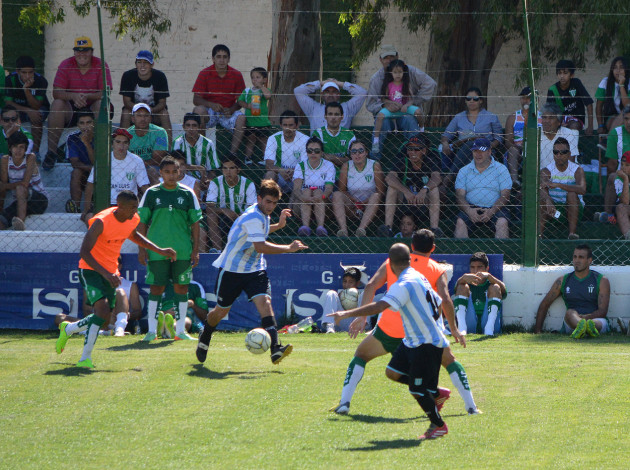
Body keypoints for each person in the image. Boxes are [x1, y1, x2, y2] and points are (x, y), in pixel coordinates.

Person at [329, 229, 479, 417]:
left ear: (412, 246)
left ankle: (344, 403)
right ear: (432, 248)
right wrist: (455, 330)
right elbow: (446, 299)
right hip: (423, 330)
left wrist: (362, 318)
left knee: (360, 355)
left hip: (392, 328)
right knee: (450, 362)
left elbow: (370, 286)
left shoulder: (393, 263)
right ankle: (471, 406)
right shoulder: (437, 268)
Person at [55, 191, 176, 367]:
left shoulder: (132, 218)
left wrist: (160, 250)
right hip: (91, 270)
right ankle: (85, 358)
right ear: (119, 206)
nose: (136, 211)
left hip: (111, 272)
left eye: (136, 206)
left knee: (103, 316)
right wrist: (105, 273)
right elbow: (84, 252)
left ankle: (70, 328)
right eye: (132, 207)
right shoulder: (100, 222)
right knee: (102, 309)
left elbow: (133, 235)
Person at [195, 179, 308, 365]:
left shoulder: (263, 215)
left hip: (255, 269)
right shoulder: (253, 216)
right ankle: (206, 334)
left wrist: (278, 226)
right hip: (232, 269)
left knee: (265, 302)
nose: (271, 206)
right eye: (268, 202)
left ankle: (275, 349)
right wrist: (288, 248)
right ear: (259, 199)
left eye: (274, 203)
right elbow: (260, 245)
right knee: (220, 312)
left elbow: (260, 232)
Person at [138, 156, 202, 342]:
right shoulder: (151, 193)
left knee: (181, 288)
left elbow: (196, 225)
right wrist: (142, 249)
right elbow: (141, 223)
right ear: (160, 173)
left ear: (180, 172)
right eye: (167, 172)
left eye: (175, 171)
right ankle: (151, 331)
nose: (171, 175)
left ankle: (180, 331)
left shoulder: (188, 193)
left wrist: (195, 250)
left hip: (182, 250)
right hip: (156, 249)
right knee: (156, 288)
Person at [44, 36, 113, 170]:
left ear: (91, 52)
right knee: (57, 104)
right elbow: (56, 92)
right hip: (72, 108)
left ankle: (101, 151)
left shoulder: (101, 65)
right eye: (78, 51)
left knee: (101, 104)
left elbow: (106, 93)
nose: (82, 54)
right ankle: (51, 152)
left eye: (85, 51)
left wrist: (87, 96)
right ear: (74, 52)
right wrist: (74, 96)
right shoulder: (66, 64)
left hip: (92, 106)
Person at [366, 45, 436, 154]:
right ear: (380, 59)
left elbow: (430, 84)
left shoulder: (410, 71)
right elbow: (370, 104)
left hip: (406, 112)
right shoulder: (376, 79)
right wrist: (384, 105)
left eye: (392, 57)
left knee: (410, 120)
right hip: (388, 116)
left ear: (397, 56)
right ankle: (375, 158)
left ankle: (418, 153)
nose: (389, 60)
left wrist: (413, 102)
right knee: (381, 122)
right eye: (386, 57)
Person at [534, 244, 610, 338]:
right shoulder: (563, 281)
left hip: (595, 319)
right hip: (572, 322)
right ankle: (585, 328)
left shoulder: (602, 280)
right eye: (575, 257)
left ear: (589, 260)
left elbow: (602, 311)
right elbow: (545, 304)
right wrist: (538, 331)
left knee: (595, 323)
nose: (577, 260)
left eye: (581, 257)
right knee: (570, 313)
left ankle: (585, 328)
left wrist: (585, 318)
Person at [380, 133, 442, 237]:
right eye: (410, 149)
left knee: (434, 190)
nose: (413, 152)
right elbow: (389, 178)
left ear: (424, 151)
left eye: (417, 149)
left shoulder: (430, 160)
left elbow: (437, 178)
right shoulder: (403, 159)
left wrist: (424, 190)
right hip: (405, 199)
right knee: (392, 188)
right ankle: (388, 228)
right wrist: (405, 191)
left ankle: (434, 229)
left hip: (422, 200)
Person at [82, 129, 150, 223]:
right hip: (105, 201)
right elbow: (90, 184)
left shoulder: (137, 161)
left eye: (125, 143)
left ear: (128, 145)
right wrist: (86, 209)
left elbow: (144, 186)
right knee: (90, 218)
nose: (121, 146)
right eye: (118, 142)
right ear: (112, 144)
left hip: (128, 202)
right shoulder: (103, 160)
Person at [192, 44, 246, 157]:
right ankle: (202, 150)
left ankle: (233, 154)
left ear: (229, 59)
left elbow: (241, 101)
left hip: (228, 112)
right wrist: (210, 104)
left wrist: (231, 110)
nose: (222, 60)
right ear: (213, 59)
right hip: (210, 112)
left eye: (225, 57)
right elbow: (196, 99)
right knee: (198, 110)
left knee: (241, 117)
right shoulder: (204, 73)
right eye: (218, 56)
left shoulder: (236, 75)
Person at [441, 87, 503, 181]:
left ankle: (450, 177)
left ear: (481, 101)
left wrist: (490, 146)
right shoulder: (459, 117)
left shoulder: (491, 117)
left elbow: (499, 138)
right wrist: (445, 143)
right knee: (470, 144)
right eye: (468, 99)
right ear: (465, 101)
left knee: (474, 144)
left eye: (475, 99)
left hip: (486, 150)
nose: (472, 101)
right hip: (463, 151)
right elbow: (446, 135)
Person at [454, 138, 511, 239]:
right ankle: (462, 254)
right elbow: (460, 196)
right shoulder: (464, 171)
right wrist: (469, 210)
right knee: (460, 222)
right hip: (471, 207)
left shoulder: (501, 169)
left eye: (482, 151)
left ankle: (501, 254)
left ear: (489, 152)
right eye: (475, 151)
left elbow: (505, 195)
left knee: (502, 222)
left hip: (495, 207)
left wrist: (491, 211)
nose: (478, 154)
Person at [371, 59, 425, 157]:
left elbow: (412, 99)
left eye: (400, 72)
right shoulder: (389, 85)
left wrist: (406, 105)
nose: (398, 75)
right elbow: (384, 99)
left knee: (418, 112)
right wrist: (391, 103)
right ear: (391, 73)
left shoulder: (406, 85)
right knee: (380, 116)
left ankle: (422, 131)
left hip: (403, 110)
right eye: (395, 72)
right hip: (392, 109)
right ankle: (376, 141)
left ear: (404, 72)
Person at [332, 140, 385, 237]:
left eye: (360, 151)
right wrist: (355, 202)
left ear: (366, 152)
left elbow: (380, 191)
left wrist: (364, 202)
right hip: (352, 204)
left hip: (370, 205)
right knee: (336, 195)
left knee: (376, 196)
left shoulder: (374, 165)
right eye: (354, 151)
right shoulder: (346, 166)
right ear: (350, 154)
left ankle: (361, 229)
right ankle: (343, 230)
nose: (357, 154)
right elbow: (342, 190)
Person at [119, 50, 172, 143]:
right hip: (134, 112)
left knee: (164, 113)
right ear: (136, 64)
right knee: (126, 113)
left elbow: (162, 103)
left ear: (152, 65)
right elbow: (126, 102)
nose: (142, 65)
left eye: (146, 62)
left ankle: (168, 148)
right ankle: (123, 144)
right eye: (139, 62)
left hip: (154, 112)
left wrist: (150, 110)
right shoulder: (128, 76)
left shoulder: (160, 76)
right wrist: (139, 112)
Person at [205, 155, 256, 251]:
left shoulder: (248, 184)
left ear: (238, 169)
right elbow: (209, 207)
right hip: (221, 216)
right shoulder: (215, 182)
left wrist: (240, 216)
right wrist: (224, 210)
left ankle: (243, 249)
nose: (228, 171)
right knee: (211, 215)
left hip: (242, 216)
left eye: (232, 168)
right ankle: (218, 251)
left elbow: (252, 209)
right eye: (225, 168)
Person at [0, 131, 48, 231]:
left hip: (38, 200)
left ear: (25, 148)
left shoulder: (30, 158)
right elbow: (2, 188)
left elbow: (25, 184)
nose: (18, 150)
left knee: (20, 188)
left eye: (21, 147)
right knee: (1, 221)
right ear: (10, 148)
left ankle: (20, 224)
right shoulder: (5, 160)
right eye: (15, 147)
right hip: (19, 202)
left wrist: (5, 186)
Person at [539, 137, 586, 239]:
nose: (559, 155)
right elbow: (541, 188)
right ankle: (539, 236)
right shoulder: (546, 171)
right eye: (556, 152)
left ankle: (572, 233)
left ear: (569, 154)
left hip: (574, 209)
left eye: (563, 152)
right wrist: (548, 200)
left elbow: (582, 189)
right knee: (542, 200)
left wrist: (558, 185)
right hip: (554, 210)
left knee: (572, 194)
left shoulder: (577, 169)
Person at [452, 252, 507, 336]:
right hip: (470, 323)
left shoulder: (490, 282)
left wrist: (489, 276)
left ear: (487, 268)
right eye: (472, 267)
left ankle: (489, 330)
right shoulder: (465, 282)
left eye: (479, 267)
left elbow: (504, 291)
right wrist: (463, 278)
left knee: (495, 287)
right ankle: (462, 329)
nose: (475, 271)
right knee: (461, 286)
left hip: (490, 323)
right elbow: (455, 290)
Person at [4, 55, 49, 155]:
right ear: (18, 71)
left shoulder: (41, 81)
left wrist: (26, 90)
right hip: (18, 108)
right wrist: (28, 111)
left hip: (38, 108)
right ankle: (8, 150)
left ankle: (35, 153)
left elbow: (36, 106)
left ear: (34, 71)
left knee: (37, 116)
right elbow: (8, 103)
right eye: (24, 72)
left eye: (30, 72)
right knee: (6, 115)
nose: (27, 76)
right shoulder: (10, 80)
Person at [292, 137, 335, 237]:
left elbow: (329, 189)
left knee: (318, 192)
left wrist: (322, 197)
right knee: (306, 191)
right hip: (302, 204)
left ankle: (320, 227)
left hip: (323, 203)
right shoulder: (301, 165)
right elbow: (296, 189)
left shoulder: (328, 165)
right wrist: (304, 198)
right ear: (306, 152)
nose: (313, 153)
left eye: (316, 151)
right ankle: (305, 227)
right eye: (309, 151)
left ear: (322, 153)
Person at [263, 110, 310, 199]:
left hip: (298, 176)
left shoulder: (305, 140)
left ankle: (291, 209)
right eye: (285, 125)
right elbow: (268, 165)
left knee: (303, 177)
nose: (288, 128)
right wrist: (281, 170)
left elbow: (306, 165)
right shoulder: (273, 139)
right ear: (280, 125)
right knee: (270, 174)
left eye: (291, 125)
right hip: (280, 176)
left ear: (297, 125)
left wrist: (295, 172)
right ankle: (266, 206)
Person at [294, 77, 366, 133]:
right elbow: (298, 91)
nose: (331, 95)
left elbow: (362, 93)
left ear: (339, 95)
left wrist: (339, 83)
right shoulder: (313, 108)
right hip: (317, 150)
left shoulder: (347, 108)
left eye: (334, 92)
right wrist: (321, 83)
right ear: (322, 95)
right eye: (327, 91)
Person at [597, 105, 630, 220]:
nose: (629, 122)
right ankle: (608, 214)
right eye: (626, 119)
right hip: (622, 175)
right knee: (612, 176)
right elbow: (612, 165)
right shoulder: (616, 133)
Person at [504, 87, 542, 186]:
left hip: (538, 149)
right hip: (518, 149)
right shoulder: (513, 117)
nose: (525, 101)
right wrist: (519, 147)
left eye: (529, 98)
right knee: (512, 150)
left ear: (537, 100)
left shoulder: (543, 117)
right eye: (523, 98)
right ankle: (515, 182)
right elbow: (508, 141)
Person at [546, 59, 594, 134]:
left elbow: (589, 103)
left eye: (565, 73)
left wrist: (590, 126)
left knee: (573, 126)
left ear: (572, 75)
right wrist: (558, 123)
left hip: (576, 119)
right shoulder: (552, 90)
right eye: (559, 73)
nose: (562, 76)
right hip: (560, 119)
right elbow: (549, 112)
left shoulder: (576, 83)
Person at [171, 112, 219, 186]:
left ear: (199, 127)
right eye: (188, 125)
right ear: (183, 126)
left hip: (203, 181)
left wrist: (207, 182)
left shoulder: (208, 143)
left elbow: (212, 170)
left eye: (194, 126)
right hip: (182, 181)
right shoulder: (178, 142)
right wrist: (199, 168)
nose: (191, 129)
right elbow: (175, 166)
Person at [127, 102, 169, 184]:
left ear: (150, 118)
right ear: (133, 118)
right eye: (139, 115)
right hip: (131, 168)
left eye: (146, 116)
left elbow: (158, 159)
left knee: (152, 171)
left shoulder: (160, 132)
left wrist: (140, 165)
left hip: (152, 167)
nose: (143, 119)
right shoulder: (127, 134)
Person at [237, 67, 272, 165]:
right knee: (250, 139)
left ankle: (265, 158)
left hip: (262, 122)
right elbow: (240, 101)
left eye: (258, 77)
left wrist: (261, 87)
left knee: (263, 140)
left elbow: (268, 96)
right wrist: (247, 105)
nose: (255, 80)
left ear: (264, 79)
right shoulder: (247, 91)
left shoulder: (264, 90)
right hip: (250, 121)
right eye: (253, 77)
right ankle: (248, 158)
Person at [65, 110, 95, 213]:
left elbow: (97, 162)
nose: (85, 126)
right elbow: (74, 163)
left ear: (94, 123)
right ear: (77, 125)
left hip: (100, 175)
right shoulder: (73, 138)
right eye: (82, 123)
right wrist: (91, 168)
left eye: (88, 122)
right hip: (84, 173)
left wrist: (86, 144)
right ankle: (75, 207)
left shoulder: (101, 136)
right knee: (76, 172)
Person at [321, 267, 365, 334]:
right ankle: (330, 328)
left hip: (356, 322)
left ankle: (363, 328)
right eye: (345, 281)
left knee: (366, 294)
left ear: (357, 283)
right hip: (340, 322)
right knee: (331, 293)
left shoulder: (361, 295)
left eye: (351, 282)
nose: (347, 285)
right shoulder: (338, 295)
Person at [312, 102, 356, 167]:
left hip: (344, 173)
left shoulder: (349, 134)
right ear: (325, 116)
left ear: (342, 116)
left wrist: (333, 158)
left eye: (336, 114)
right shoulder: (318, 133)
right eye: (330, 114)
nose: (333, 117)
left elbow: (353, 160)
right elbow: (315, 157)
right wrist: (341, 160)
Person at [595, 56, 630, 134]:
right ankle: (610, 141)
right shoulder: (605, 82)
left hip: (628, 115)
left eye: (621, 67)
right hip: (611, 115)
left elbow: (627, 105)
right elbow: (599, 106)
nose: (618, 71)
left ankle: (609, 141)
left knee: (623, 115)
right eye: (615, 68)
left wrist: (621, 85)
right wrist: (600, 125)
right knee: (613, 121)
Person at [539, 103, 579, 170]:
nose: (546, 121)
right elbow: (529, 162)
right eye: (544, 117)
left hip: (563, 175)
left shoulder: (569, 134)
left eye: (551, 118)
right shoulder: (534, 134)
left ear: (559, 122)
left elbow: (570, 162)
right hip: (540, 175)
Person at [611, 151, 630, 239]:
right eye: (622, 164)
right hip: (627, 209)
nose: (623, 168)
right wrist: (626, 180)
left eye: (627, 165)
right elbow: (625, 201)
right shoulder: (619, 179)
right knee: (620, 207)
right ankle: (628, 237)